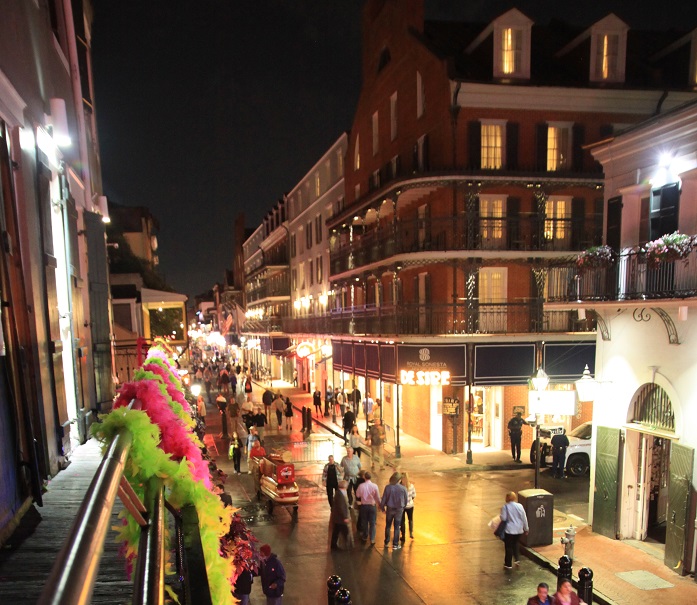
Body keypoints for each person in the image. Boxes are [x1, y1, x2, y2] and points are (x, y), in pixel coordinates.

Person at [500, 491, 529, 569]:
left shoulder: (505, 507)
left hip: (509, 530)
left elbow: (503, 518)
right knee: (516, 544)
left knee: (508, 546)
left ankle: (508, 564)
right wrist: (526, 528)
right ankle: (517, 559)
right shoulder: (520, 506)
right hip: (519, 530)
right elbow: (524, 518)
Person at [380, 471, 408, 550]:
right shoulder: (403, 488)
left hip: (390, 509)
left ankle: (386, 542)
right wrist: (403, 508)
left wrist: (382, 508)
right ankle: (395, 544)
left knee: (388, 526)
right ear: (399, 480)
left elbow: (384, 499)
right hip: (399, 509)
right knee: (397, 527)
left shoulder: (388, 487)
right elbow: (406, 500)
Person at [355, 471, 380, 545]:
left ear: (364, 477)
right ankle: (372, 538)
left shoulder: (361, 486)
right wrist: (380, 505)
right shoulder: (375, 486)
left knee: (365, 522)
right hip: (372, 506)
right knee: (372, 523)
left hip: (364, 506)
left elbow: (357, 495)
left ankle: (365, 536)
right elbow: (377, 497)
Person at [330, 480, 351, 550]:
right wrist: (345, 517)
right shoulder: (340, 495)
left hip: (337, 517)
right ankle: (348, 545)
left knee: (336, 531)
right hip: (340, 518)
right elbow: (341, 507)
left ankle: (333, 545)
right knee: (345, 531)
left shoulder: (338, 493)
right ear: (344, 487)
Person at [400, 471, 416, 542]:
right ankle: (411, 533)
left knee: (402, 521)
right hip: (410, 506)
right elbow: (414, 496)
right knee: (410, 519)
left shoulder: (400, 487)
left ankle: (403, 536)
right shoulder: (411, 486)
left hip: (402, 506)